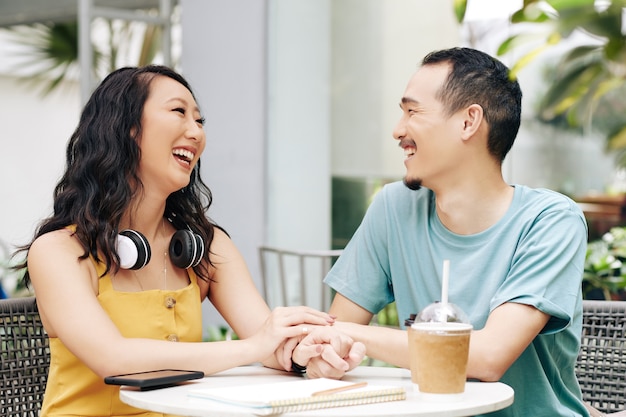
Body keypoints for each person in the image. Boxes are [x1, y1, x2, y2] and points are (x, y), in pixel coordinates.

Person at [17, 65, 364, 417]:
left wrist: (312, 352)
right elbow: (114, 359)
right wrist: (254, 346)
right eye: (179, 112)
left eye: (200, 120)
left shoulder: (208, 247)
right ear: (126, 129)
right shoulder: (58, 251)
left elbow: (271, 346)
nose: (196, 131)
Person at [297, 47, 590, 416]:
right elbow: (336, 333)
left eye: (412, 111)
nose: (397, 130)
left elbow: (488, 357)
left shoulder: (550, 221)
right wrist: (327, 356)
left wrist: (351, 337)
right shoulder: (394, 208)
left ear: (469, 122)